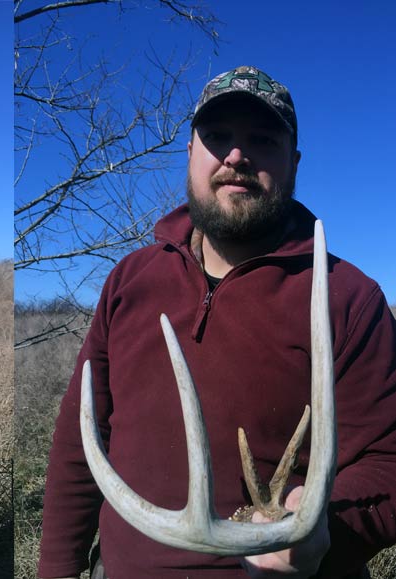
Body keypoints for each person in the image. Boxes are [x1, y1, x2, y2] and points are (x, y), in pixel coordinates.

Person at [37, 65, 396, 578]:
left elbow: (389, 461)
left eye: (262, 139)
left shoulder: (348, 298)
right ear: (189, 153)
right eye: (218, 137)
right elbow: (81, 442)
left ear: (293, 163)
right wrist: (57, 568)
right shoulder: (130, 281)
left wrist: (322, 529)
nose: (235, 156)